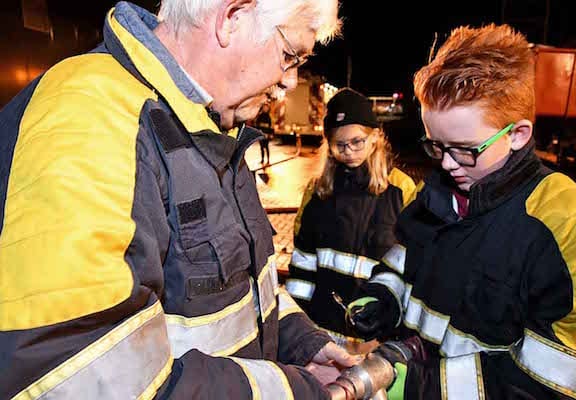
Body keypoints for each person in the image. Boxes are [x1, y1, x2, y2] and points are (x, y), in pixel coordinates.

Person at [0, 1, 362, 399]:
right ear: (232, 18)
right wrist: (292, 390)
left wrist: (300, 343)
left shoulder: (208, 125)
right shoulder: (86, 120)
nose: (290, 81)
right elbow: (84, 376)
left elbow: (241, 286)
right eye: (290, 55)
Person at [347, 23, 576, 399]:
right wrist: (384, 298)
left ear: (518, 134)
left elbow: (560, 380)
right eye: (437, 146)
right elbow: (401, 263)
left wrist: (425, 386)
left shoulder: (562, 221)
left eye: (466, 149)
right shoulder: (432, 198)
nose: (448, 165)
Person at [285, 88, 416, 354]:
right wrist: (297, 329)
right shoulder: (317, 190)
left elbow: (410, 271)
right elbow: (302, 265)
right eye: (339, 145)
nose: (349, 152)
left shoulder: (402, 189)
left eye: (357, 142)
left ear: (375, 137)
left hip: (377, 339)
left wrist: (392, 321)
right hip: (321, 334)